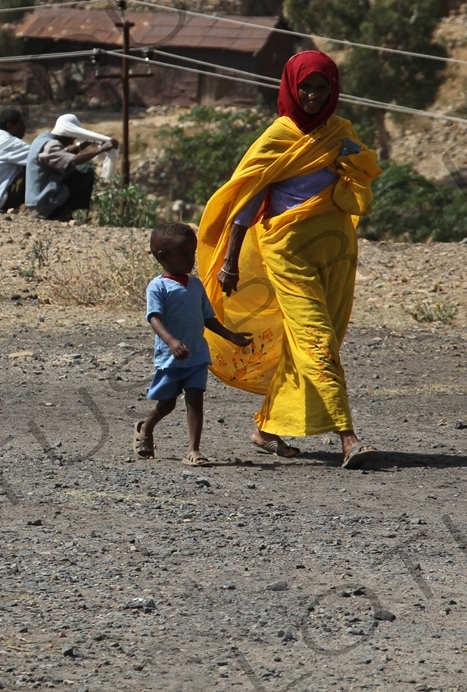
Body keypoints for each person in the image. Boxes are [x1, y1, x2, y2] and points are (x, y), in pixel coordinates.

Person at [197, 51, 381, 466]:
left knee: (317, 338)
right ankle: (348, 437)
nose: (313, 95)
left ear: (332, 91)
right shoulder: (278, 135)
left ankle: (266, 427)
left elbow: (362, 176)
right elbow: (247, 198)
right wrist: (228, 260)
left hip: (336, 251)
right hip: (287, 252)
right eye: (306, 87)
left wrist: (353, 162)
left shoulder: (341, 133)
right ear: (291, 88)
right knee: (318, 338)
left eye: (321, 88)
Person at [137, 222, 252, 464]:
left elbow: (208, 318)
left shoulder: (196, 285)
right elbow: (154, 318)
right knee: (166, 403)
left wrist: (230, 336)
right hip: (171, 357)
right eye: (184, 254)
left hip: (197, 355)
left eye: (193, 253)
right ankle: (145, 428)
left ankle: (193, 450)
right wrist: (170, 341)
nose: (191, 259)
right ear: (163, 257)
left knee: (195, 399)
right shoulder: (158, 286)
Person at [23, 113, 116, 220]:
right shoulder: (50, 146)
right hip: (44, 203)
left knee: (77, 170)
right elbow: (72, 161)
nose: (72, 142)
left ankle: (62, 211)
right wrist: (100, 149)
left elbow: (64, 152)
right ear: (65, 134)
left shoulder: (43, 139)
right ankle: (63, 212)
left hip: (37, 202)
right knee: (84, 170)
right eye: (71, 138)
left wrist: (86, 143)